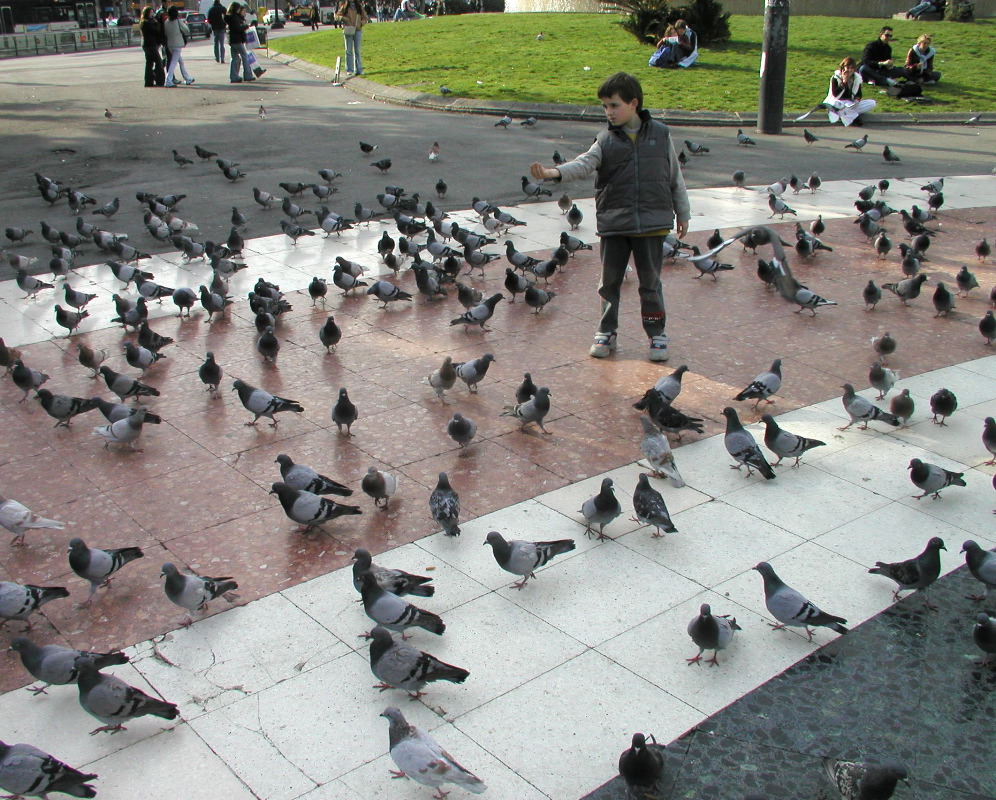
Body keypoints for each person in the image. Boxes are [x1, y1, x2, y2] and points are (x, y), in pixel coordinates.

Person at [528, 72, 689, 363]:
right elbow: (584, 164)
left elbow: (674, 178)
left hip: (652, 225)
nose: (608, 112)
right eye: (605, 106)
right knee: (609, 283)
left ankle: (656, 334)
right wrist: (554, 173)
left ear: (634, 103)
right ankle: (606, 331)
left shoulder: (661, 135)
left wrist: (683, 212)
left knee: (650, 284)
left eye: (614, 105)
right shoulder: (604, 140)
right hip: (615, 225)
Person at [824, 56, 876, 127]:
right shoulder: (836, 77)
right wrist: (844, 82)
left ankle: (845, 113)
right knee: (840, 105)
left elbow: (858, 94)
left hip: (850, 103)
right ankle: (853, 118)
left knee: (872, 103)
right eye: (848, 67)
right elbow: (836, 95)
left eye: (852, 68)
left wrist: (857, 100)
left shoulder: (856, 78)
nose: (850, 70)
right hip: (836, 102)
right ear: (843, 68)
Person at [163, 5, 194, 87]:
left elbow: (166, 33)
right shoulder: (178, 21)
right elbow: (186, 29)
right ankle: (168, 80)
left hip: (170, 44)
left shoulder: (166, 22)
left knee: (180, 61)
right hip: (177, 44)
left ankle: (187, 78)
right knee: (173, 63)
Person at [338, 0, 369, 76]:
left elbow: (365, 18)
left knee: (357, 50)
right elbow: (337, 15)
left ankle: (359, 69)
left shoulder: (359, 7)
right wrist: (344, 19)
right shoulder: (344, 7)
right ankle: (349, 69)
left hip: (357, 30)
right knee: (348, 50)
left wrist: (360, 24)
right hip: (348, 30)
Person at [227, 0, 255, 83]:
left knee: (235, 59)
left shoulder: (229, 17)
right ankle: (247, 75)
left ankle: (234, 76)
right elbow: (237, 29)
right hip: (237, 40)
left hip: (232, 40)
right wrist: (245, 26)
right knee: (245, 57)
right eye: (239, 9)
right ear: (236, 9)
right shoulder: (234, 18)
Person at [140, 6, 165, 87]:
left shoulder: (144, 22)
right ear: (147, 13)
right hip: (150, 44)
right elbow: (156, 29)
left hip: (147, 44)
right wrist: (156, 22)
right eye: (151, 12)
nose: (152, 14)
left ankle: (149, 81)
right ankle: (159, 80)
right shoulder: (147, 22)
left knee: (149, 63)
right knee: (158, 62)